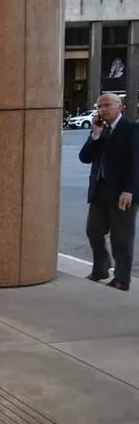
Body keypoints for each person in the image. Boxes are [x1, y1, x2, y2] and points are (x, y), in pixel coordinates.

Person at [80, 92, 139, 291]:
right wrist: (95, 134)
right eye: (99, 106)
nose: (103, 110)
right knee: (93, 231)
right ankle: (101, 269)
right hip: (100, 191)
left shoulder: (131, 129)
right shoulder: (101, 131)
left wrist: (129, 191)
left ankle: (122, 279)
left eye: (107, 105)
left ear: (120, 107)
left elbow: (136, 164)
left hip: (122, 193)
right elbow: (85, 157)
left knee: (121, 238)